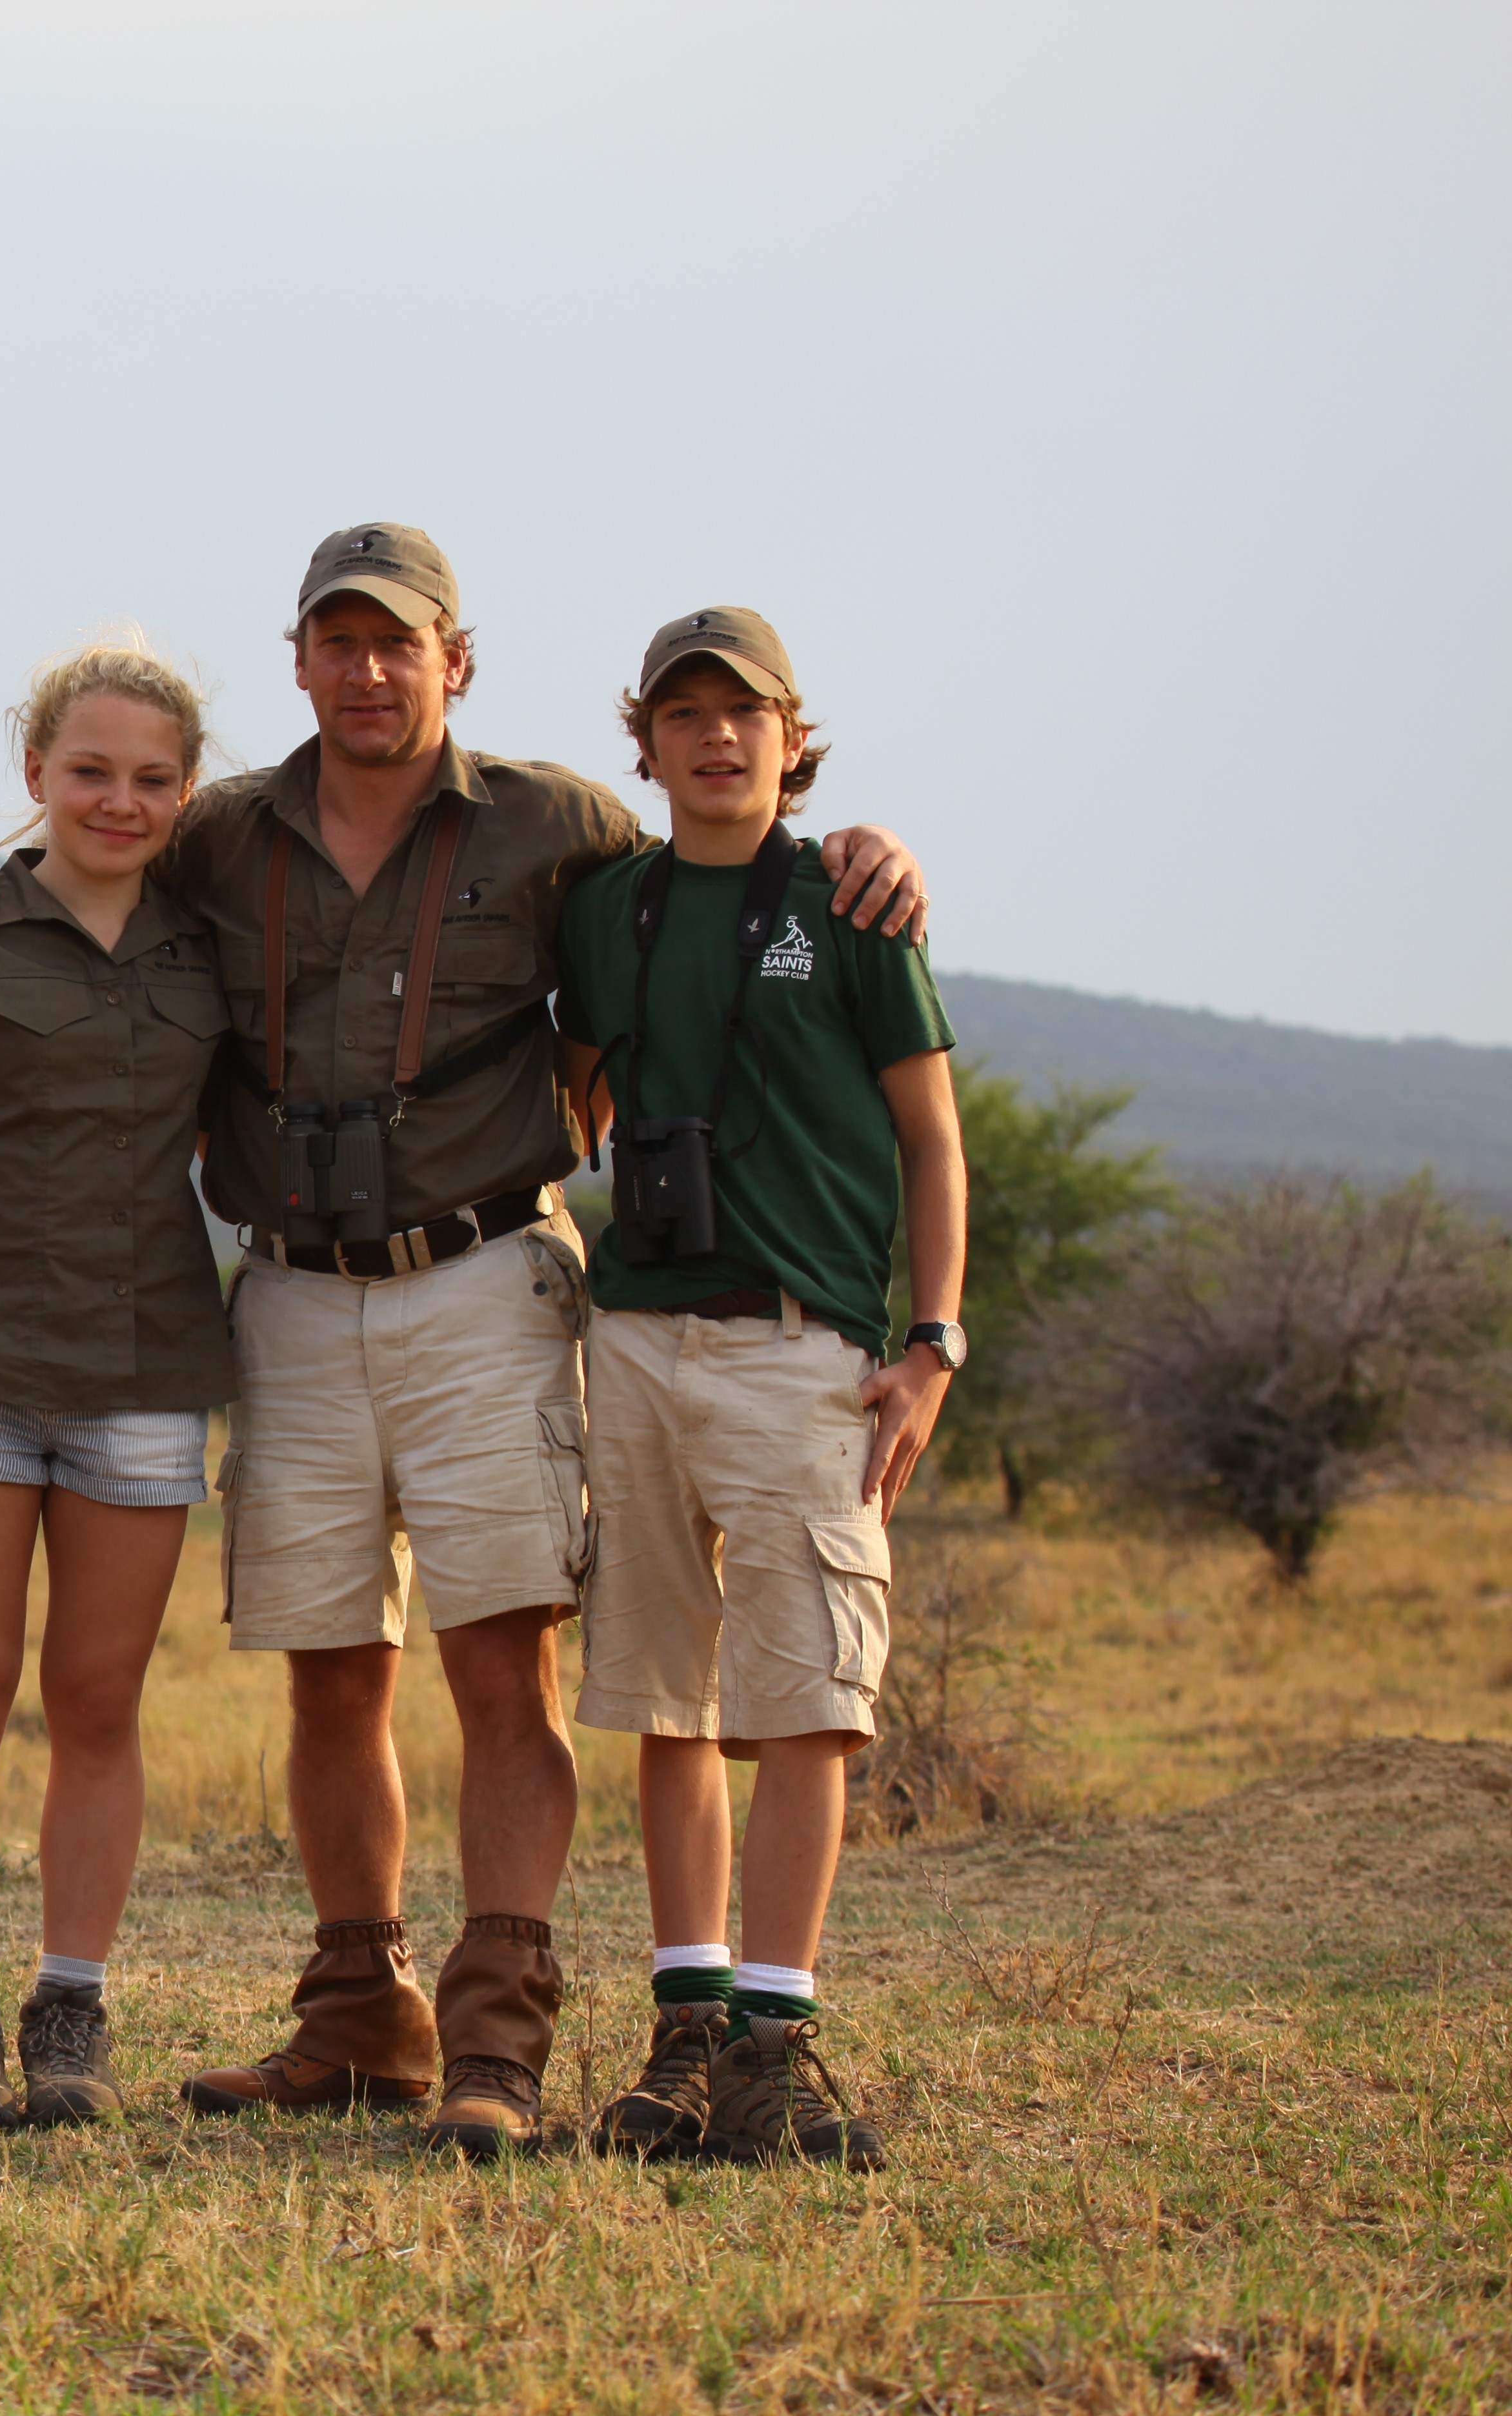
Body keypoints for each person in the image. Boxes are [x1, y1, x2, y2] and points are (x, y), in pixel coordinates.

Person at [0, 526, 930, 2158]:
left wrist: (863, 848)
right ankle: (361, 2015)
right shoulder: (224, 834)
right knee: (329, 1673)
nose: (370, 673)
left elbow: (707, 864)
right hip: (291, 1288)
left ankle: (499, 2042)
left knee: (499, 1663)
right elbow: (82, 846)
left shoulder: (557, 825)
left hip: (482, 1277)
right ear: (297, 661)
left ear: (460, 661)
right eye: (339, 642)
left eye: (402, 644)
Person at [558, 607, 961, 2169]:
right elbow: (575, 1077)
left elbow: (931, 1140)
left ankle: (779, 2047)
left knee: (808, 1700)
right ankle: (686, 2031)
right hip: (641, 1334)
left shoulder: (853, 899)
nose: (717, 738)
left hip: (813, 1347)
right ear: (644, 742)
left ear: (796, 739)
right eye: (685, 713)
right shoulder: (607, 909)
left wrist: (932, 1342)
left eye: (749, 714)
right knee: (666, 1696)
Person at [0, 639, 234, 2128]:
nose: (118, 801)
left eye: (150, 779)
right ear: (34, 778)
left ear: (186, 795)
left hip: (144, 1373)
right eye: (90, 772)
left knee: (98, 1699)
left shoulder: (210, 951)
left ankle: (72, 2006)